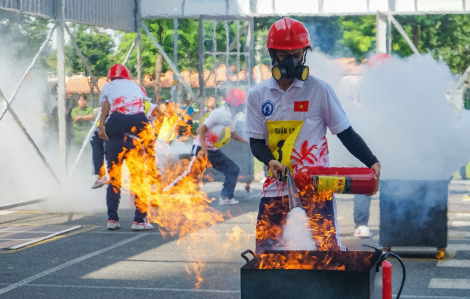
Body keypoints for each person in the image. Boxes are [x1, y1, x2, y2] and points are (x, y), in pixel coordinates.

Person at [246, 17, 381, 254]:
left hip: (316, 187)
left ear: (304, 55)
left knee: (325, 253)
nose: (291, 61)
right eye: (284, 55)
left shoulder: (319, 90)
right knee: (266, 255)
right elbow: (256, 143)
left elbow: (345, 133)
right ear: (272, 54)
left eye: (297, 55)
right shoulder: (258, 94)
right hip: (275, 190)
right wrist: (269, 161)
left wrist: (371, 161)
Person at [339, 53, 391, 238]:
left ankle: (391, 223)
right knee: (362, 183)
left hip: (385, 140)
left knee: (390, 184)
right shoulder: (356, 86)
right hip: (364, 141)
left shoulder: (392, 90)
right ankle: (361, 223)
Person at [98, 64, 154, 231]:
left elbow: (105, 108)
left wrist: (101, 126)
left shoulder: (109, 88)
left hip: (114, 140)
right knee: (139, 179)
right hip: (134, 140)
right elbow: (145, 108)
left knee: (114, 179)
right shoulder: (136, 87)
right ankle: (139, 220)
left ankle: (112, 219)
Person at [192, 88, 249, 205]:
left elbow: (233, 135)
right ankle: (172, 194)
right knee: (193, 174)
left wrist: (248, 141)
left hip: (213, 150)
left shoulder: (233, 117)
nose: (243, 107)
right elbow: (201, 130)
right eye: (242, 104)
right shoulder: (219, 113)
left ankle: (226, 197)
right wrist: (203, 149)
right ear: (235, 104)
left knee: (233, 169)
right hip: (199, 147)